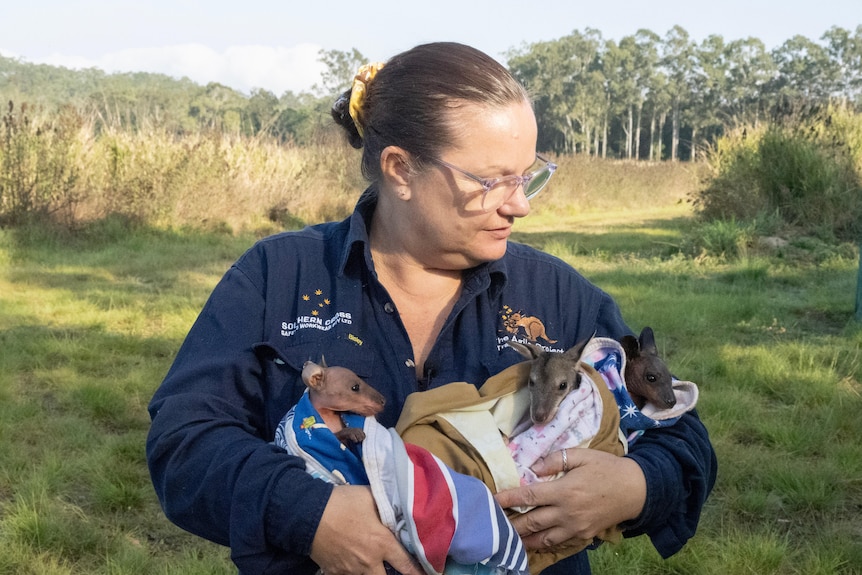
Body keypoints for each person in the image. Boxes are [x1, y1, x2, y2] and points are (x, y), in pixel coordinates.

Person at [146, 41, 717, 575]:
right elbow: (185, 442)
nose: (520, 204)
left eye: (528, 176)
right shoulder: (278, 277)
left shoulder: (560, 298)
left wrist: (635, 485)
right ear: (400, 169)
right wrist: (309, 515)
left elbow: (683, 438)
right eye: (493, 180)